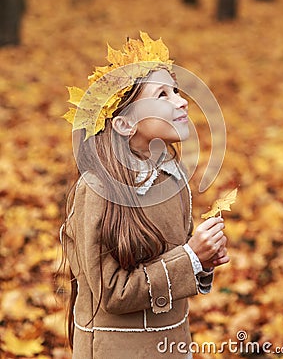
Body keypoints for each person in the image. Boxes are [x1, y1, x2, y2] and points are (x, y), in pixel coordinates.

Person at [60, 32, 229, 359]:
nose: (181, 101)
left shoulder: (171, 179)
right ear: (125, 124)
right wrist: (190, 257)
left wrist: (202, 261)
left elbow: (171, 258)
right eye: (162, 95)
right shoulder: (98, 190)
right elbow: (113, 293)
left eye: (177, 91)